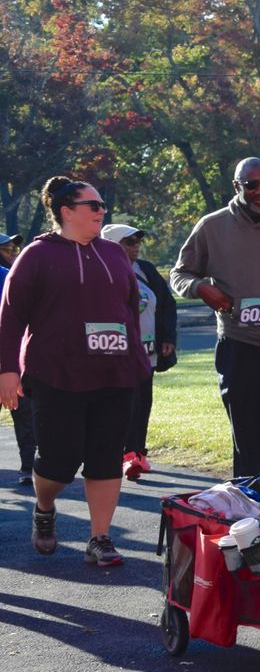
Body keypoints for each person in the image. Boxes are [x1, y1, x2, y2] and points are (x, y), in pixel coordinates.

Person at [0, 178, 149, 565]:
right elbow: (11, 316)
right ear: (67, 210)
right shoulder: (35, 256)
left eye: (102, 205)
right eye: (93, 205)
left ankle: (100, 537)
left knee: (104, 457)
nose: (102, 211)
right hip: (56, 375)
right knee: (57, 461)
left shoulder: (115, 255)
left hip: (114, 374)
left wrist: (137, 361)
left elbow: (129, 312)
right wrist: (7, 371)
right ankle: (45, 507)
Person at [172, 158, 260, 478]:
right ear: (237, 187)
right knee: (248, 438)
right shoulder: (212, 226)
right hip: (238, 344)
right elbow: (180, 274)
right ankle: (249, 511)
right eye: (251, 185)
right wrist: (200, 287)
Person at [103, 223, 177, 479]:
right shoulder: (100, 269)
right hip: (113, 355)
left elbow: (166, 303)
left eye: (137, 241)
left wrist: (167, 337)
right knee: (118, 405)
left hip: (147, 353)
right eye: (130, 242)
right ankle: (115, 454)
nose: (136, 246)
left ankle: (136, 454)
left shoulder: (145, 269)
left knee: (142, 402)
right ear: (112, 244)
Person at [0, 232, 35, 487]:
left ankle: (27, 466)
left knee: (24, 415)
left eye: (14, 246)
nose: (13, 251)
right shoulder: (8, 276)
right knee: (23, 415)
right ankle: (27, 468)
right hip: (12, 358)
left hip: (13, 357)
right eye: (7, 247)